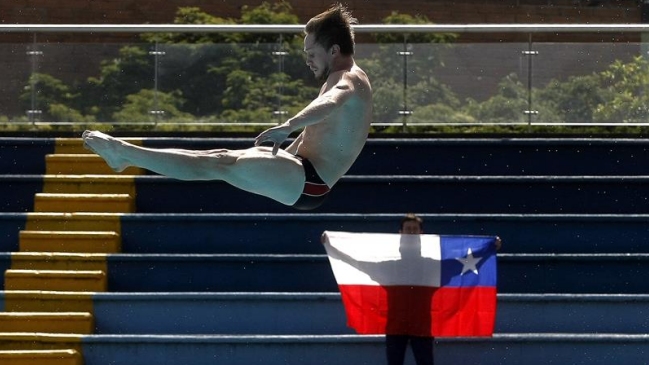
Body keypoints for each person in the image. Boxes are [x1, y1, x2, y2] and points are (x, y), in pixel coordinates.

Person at [82, 3, 372, 210]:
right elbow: (320, 133)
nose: (307, 60)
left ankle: (125, 155)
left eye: (311, 53)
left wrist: (287, 125)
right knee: (216, 159)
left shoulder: (349, 79)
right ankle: (125, 156)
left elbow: (329, 102)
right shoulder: (339, 76)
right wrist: (282, 151)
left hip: (310, 182)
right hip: (301, 170)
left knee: (217, 162)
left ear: (334, 50)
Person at [386, 213, 435, 365]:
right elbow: (361, 264)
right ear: (400, 233)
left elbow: (456, 265)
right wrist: (332, 245)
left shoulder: (432, 264)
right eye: (408, 229)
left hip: (422, 324)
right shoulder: (390, 264)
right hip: (395, 324)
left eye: (415, 229)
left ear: (421, 233)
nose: (411, 232)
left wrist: (488, 248)